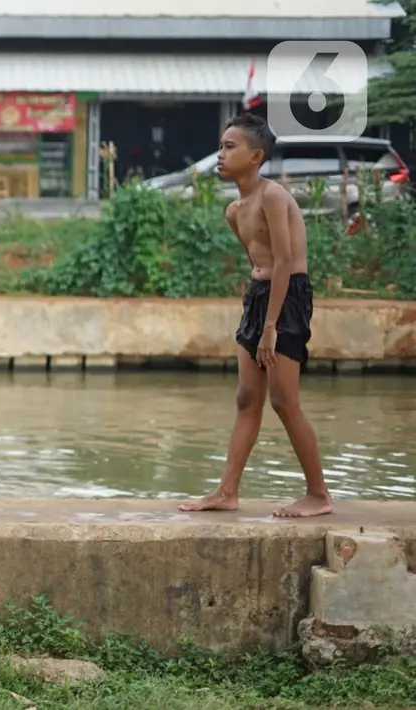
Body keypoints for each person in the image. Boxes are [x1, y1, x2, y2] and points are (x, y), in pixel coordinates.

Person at [179, 113, 333, 518]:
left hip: (288, 298)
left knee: (284, 400)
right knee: (247, 398)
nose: (220, 154)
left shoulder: (273, 197)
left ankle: (319, 495)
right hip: (260, 296)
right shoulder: (235, 211)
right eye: (221, 145)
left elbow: (284, 262)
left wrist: (269, 329)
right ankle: (226, 492)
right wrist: (257, 312)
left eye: (230, 147)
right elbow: (259, 264)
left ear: (256, 156)